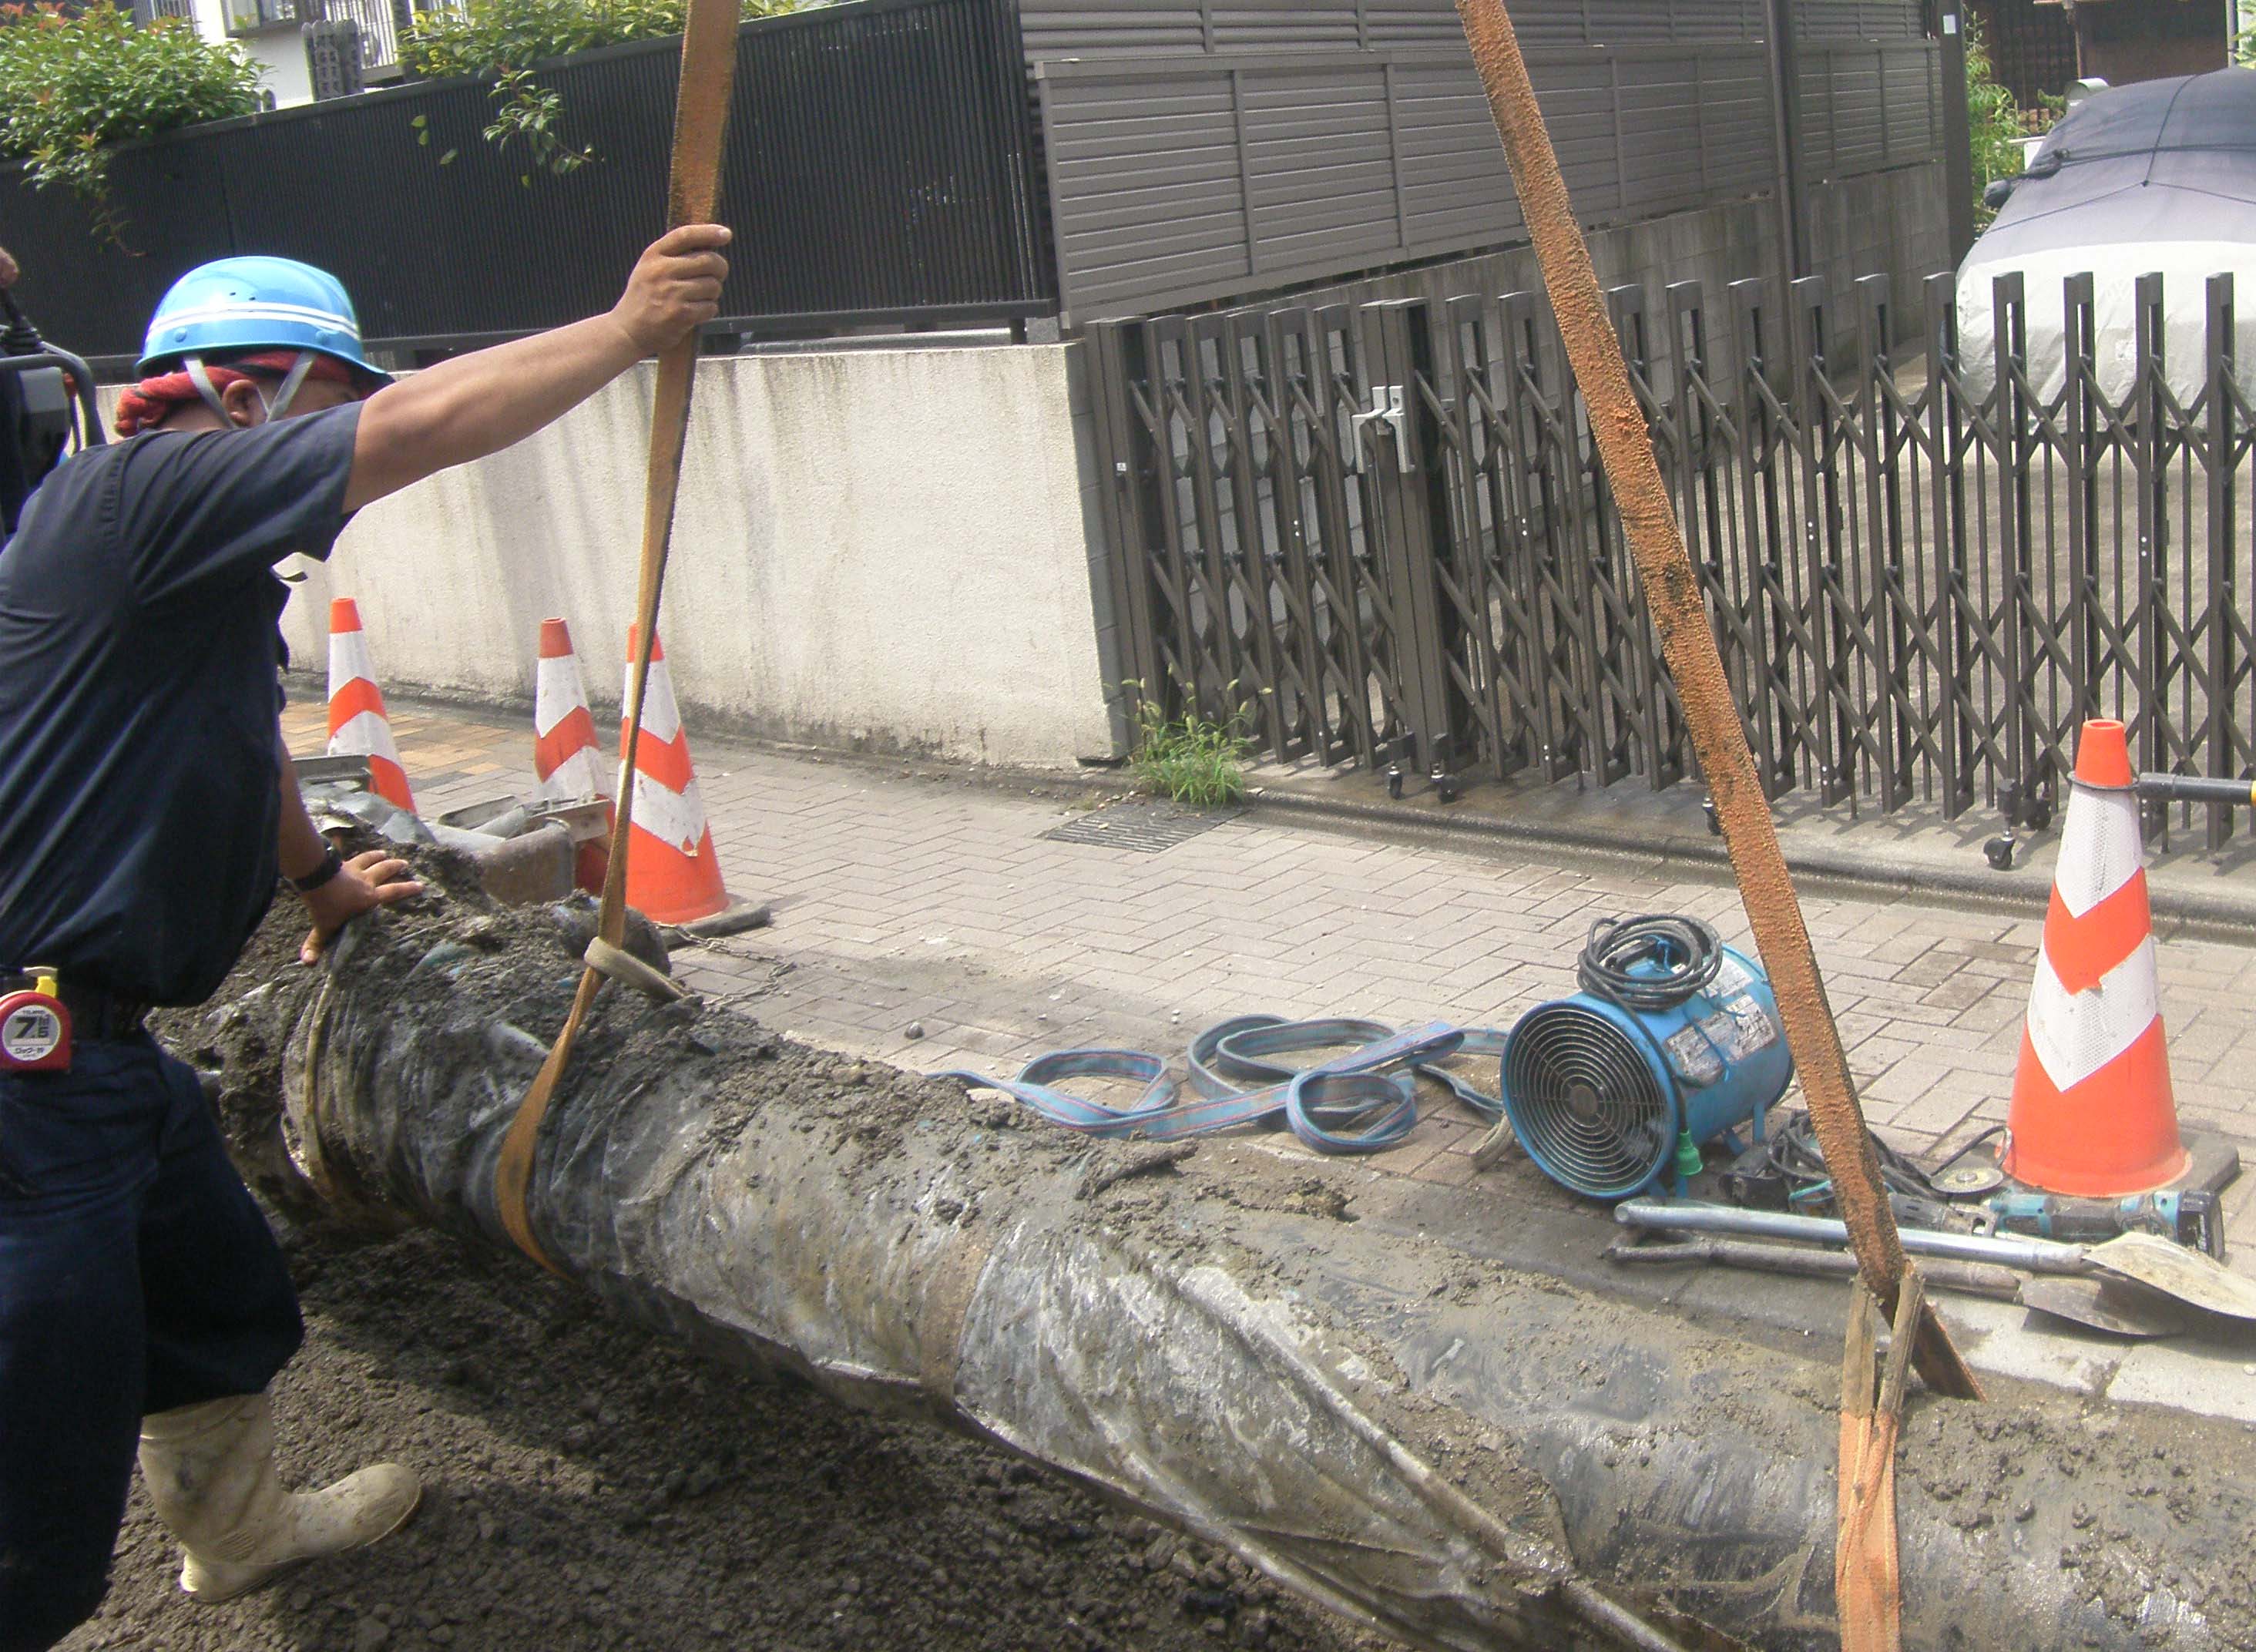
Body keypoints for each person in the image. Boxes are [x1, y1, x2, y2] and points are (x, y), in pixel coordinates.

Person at [0, 222, 731, 1652]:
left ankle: (237, 1532)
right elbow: (413, 429)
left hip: (103, 1053)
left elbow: (242, 747)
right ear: (243, 394)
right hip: (25, 1067)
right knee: (36, 1444)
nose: (338, 450)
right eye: (325, 401)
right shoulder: (133, 499)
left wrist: (323, 881)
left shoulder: (192, 576)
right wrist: (627, 330)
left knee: (212, 1290)